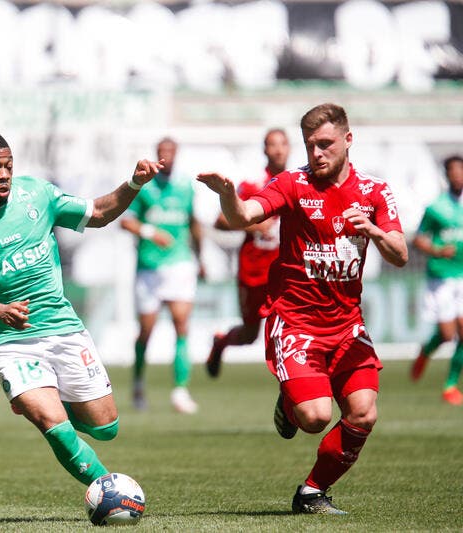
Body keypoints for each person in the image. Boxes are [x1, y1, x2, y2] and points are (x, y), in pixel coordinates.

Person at [197, 103, 408, 515]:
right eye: (310, 145)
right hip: (296, 323)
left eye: (325, 144)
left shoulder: (375, 192)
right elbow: (245, 215)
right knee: (314, 417)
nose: (317, 154)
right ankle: (292, 400)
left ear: (348, 140)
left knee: (363, 415)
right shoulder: (292, 183)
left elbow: (399, 254)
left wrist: (375, 231)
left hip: (347, 326)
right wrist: (227, 196)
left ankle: (312, 492)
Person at [0, 127, 162, 488]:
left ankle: (33, 398)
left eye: (8, 165)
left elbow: (99, 212)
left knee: (106, 427)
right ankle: (108, 489)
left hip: (64, 328)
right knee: (52, 423)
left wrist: (133, 184)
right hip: (12, 341)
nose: (4, 174)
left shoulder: (37, 194)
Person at [119, 137, 204, 413]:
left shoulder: (186, 187)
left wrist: (201, 259)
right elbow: (126, 221)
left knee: (182, 326)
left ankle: (180, 390)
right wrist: (150, 232)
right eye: (162, 153)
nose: (166, 157)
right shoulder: (145, 189)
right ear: (157, 155)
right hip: (149, 267)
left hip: (180, 264)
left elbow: (194, 224)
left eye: (170, 152)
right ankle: (138, 385)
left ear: (176, 154)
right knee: (146, 331)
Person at [206, 129, 289, 378]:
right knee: (250, 335)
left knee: (286, 329)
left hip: (284, 272)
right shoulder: (253, 183)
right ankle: (221, 342)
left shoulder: (296, 183)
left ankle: (292, 384)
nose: (278, 150)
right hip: (253, 272)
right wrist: (255, 225)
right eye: (272, 145)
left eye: (283, 144)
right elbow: (221, 220)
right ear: (264, 150)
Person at [409, 155, 463, 406]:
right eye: (453, 171)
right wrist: (438, 251)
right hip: (441, 276)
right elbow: (419, 239)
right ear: (447, 175)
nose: (457, 175)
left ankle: (450, 385)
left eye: (461, 170)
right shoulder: (436, 208)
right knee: (446, 334)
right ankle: (425, 352)